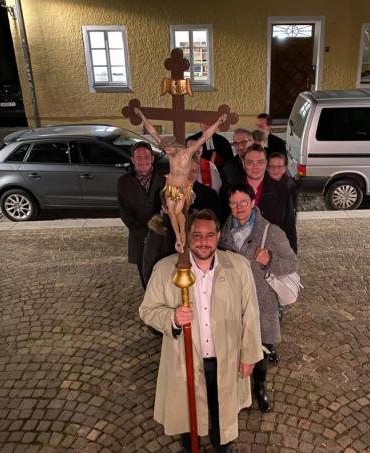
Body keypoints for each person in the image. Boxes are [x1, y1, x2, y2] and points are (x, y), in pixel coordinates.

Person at [139, 209, 263, 453]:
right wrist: (172, 317)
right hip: (184, 360)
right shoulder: (166, 270)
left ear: (218, 236)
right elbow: (147, 310)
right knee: (189, 412)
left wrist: (249, 355)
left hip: (225, 358)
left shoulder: (238, 267)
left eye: (209, 235)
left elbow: (250, 315)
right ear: (187, 237)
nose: (203, 241)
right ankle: (190, 445)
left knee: (222, 412)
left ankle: (222, 446)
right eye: (196, 235)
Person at [219, 184, 297, 413]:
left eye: (243, 202)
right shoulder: (225, 229)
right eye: (234, 203)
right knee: (236, 347)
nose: (239, 207)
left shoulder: (270, 231)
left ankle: (260, 387)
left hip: (262, 303)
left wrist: (270, 259)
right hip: (233, 302)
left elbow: (292, 263)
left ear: (253, 202)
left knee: (260, 348)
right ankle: (239, 390)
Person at [136, 108, 227, 253]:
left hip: (184, 189)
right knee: (172, 212)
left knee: (181, 216)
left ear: (173, 145)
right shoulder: (170, 153)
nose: (166, 152)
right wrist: (142, 117)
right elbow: (153, 133)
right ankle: (179, 239)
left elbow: (204, 137)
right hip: (171, 188)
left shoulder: (187, 153)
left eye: (168, 149)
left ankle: (182, 237)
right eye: (165, 149)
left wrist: (218, 122)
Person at [117, 141, 165, 288]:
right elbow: (125, 213)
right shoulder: (124, 182)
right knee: (146, 279)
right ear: (132, 160)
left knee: (164, 278)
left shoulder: (164, 179)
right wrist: (144, 234)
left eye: (146, 156)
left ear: (152, 158)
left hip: (163, 239)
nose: (142, 160)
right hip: (140, 241)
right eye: (138, 157)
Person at [242, 145, 298, 253]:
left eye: (260, 162)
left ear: (266, 164)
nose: (255, 167)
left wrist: (291, 260)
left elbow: (289, 228)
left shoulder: (283, 190)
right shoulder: (229, 191)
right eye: (250, 162)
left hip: (273, 258)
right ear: (243, 164)